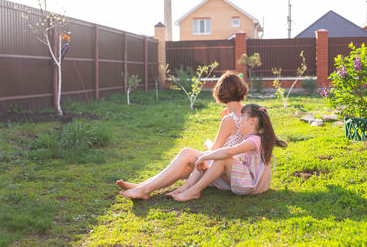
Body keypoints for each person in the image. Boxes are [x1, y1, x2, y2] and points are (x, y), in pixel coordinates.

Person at [115, 71, 248, 198]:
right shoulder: (248, 112)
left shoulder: (229, 119)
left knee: (186, 155)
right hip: (236, 168)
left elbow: (214, 151)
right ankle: (142, 186)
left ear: (221, 92)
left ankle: (144, 189)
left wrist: (208, 142)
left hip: (225, 171)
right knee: (184, 161)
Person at [172, 104, 287, 201]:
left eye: (242, 116)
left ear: (253, 121)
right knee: (215, 157)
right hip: (249, 182)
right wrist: (206, 157)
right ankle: (187, 187)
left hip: (252, 184)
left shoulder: (256, 140)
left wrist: (204, 157)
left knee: (222, 157)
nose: (240, 120)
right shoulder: (255, 138)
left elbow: (230, 152)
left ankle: (194, 191)